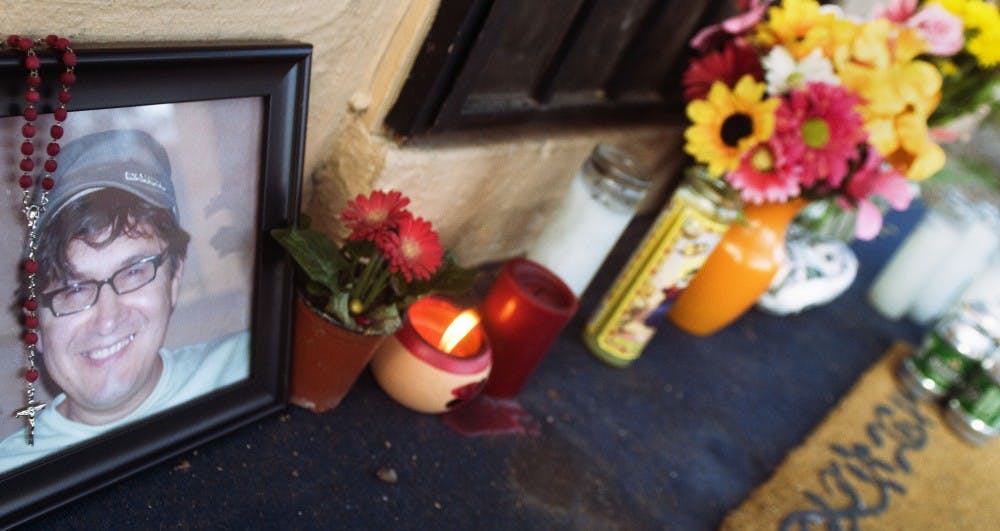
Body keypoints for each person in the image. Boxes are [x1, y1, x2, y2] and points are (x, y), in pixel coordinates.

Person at [0, 129, 249, 474]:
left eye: (133, 272)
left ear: (174, 278)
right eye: (73, 289)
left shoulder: (250, 369)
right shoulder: (11, 474)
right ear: (36, 327)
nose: (107, 320)